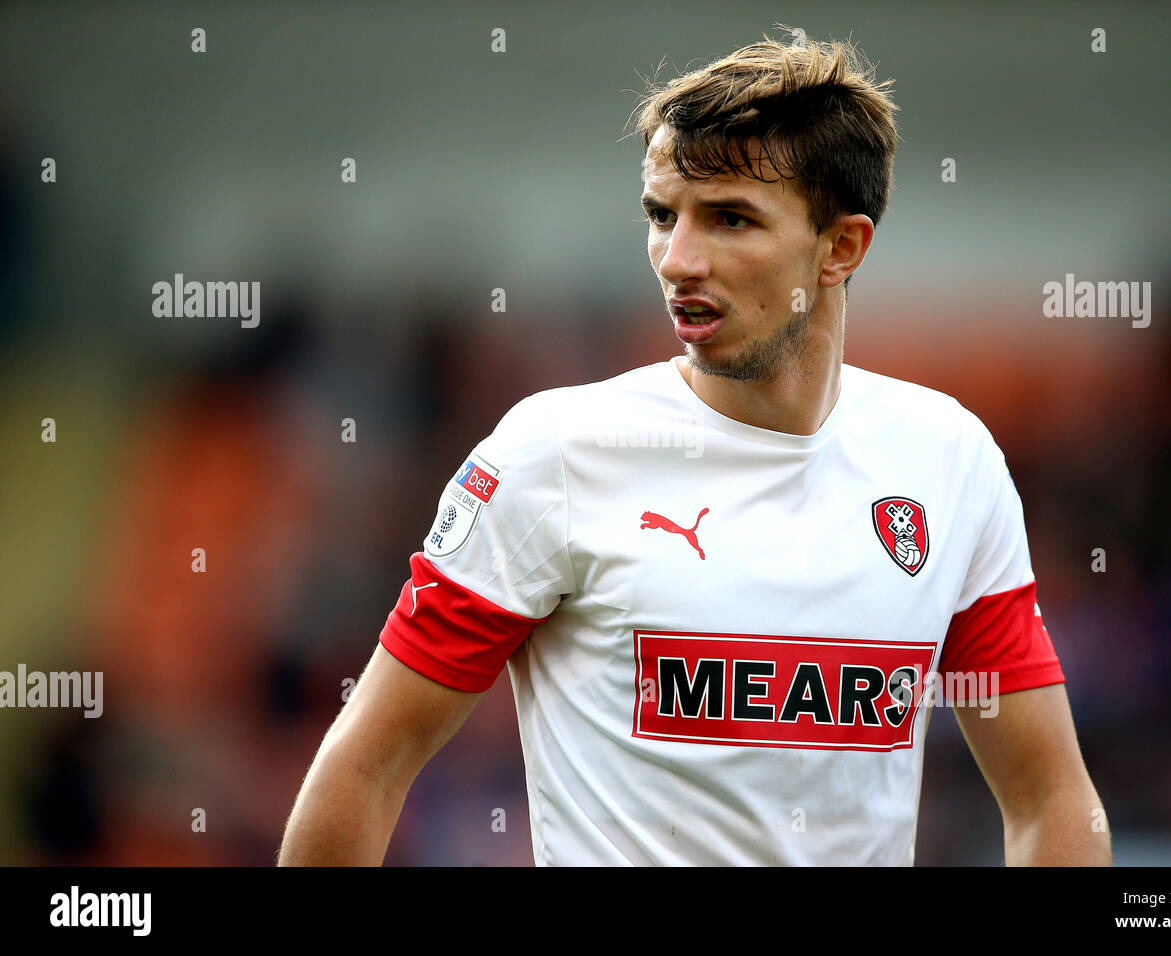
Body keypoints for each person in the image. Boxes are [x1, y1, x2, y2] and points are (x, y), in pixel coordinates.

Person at [278, 29, 1111, 866]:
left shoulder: (949, 461)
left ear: (840, 248)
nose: (678, 260)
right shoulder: (558, 453)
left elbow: (1049, 798)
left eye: (730, 219)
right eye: (662, 215)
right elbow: (367, 766)